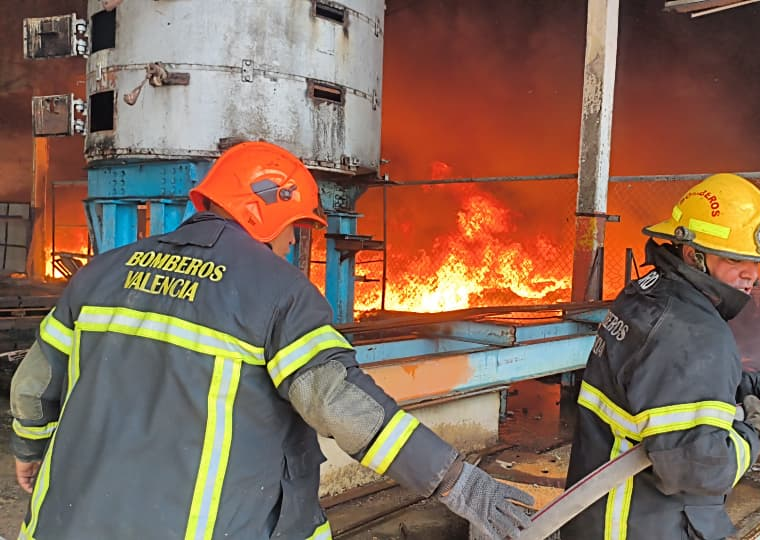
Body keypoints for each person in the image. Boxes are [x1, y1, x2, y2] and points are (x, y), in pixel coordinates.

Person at [9, 141, 532, 540]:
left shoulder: (102, 273)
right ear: (259, 209)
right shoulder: (278, 292)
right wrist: (455, 481)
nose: (289, 241)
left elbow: (34, 387)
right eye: (292, 226)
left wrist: (29, 449)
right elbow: (340, 404)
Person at [562, 173, 760, 540]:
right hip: (640, 527)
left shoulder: (647, 296)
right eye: (734, 259)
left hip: (597, 516)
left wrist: (757, 385)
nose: (752, 276)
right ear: (694, 255)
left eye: (756, 263)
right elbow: (696, 469)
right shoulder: (696, 334)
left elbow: (664, 381)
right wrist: (751, 434)